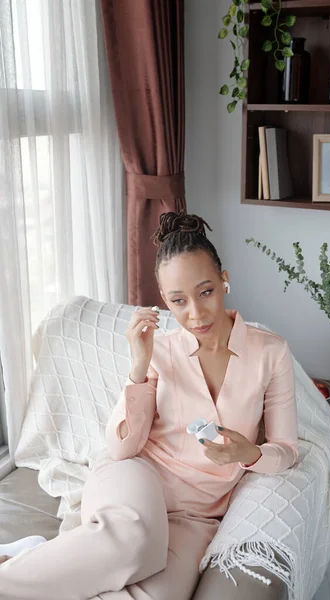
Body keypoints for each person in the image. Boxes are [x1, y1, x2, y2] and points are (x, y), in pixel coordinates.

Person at [0, 211, 298, 600]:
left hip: (197, 514)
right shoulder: (161, 349)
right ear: (165, 302)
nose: (195, 313)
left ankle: (34, 559)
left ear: (225, 280)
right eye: (178, 300)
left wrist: (251, 454)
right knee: (133, 540)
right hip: (138, 476)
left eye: (205, 291)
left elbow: (287, 451)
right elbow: (122, 448)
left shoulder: (270, 353)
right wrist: (138, 369)